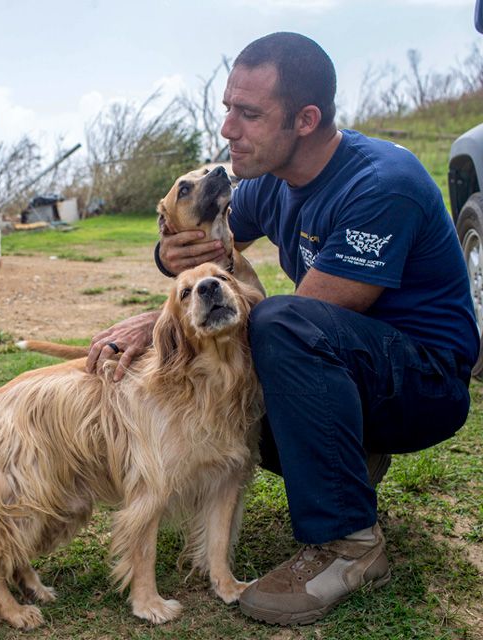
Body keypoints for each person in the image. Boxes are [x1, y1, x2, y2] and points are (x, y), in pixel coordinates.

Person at [86, 31, 478, 625]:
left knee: (277, 324)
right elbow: (201, 247)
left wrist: (160, 319)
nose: (227, 130)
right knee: (227, 379)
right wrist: (171, 261)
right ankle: (350, 456)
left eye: (248, 114)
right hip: (357, 368)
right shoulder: (270, 183)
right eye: (227, 109)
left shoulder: (380, 184)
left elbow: (290, 316)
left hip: (424, 382)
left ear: (305, 119)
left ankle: (349, 543)